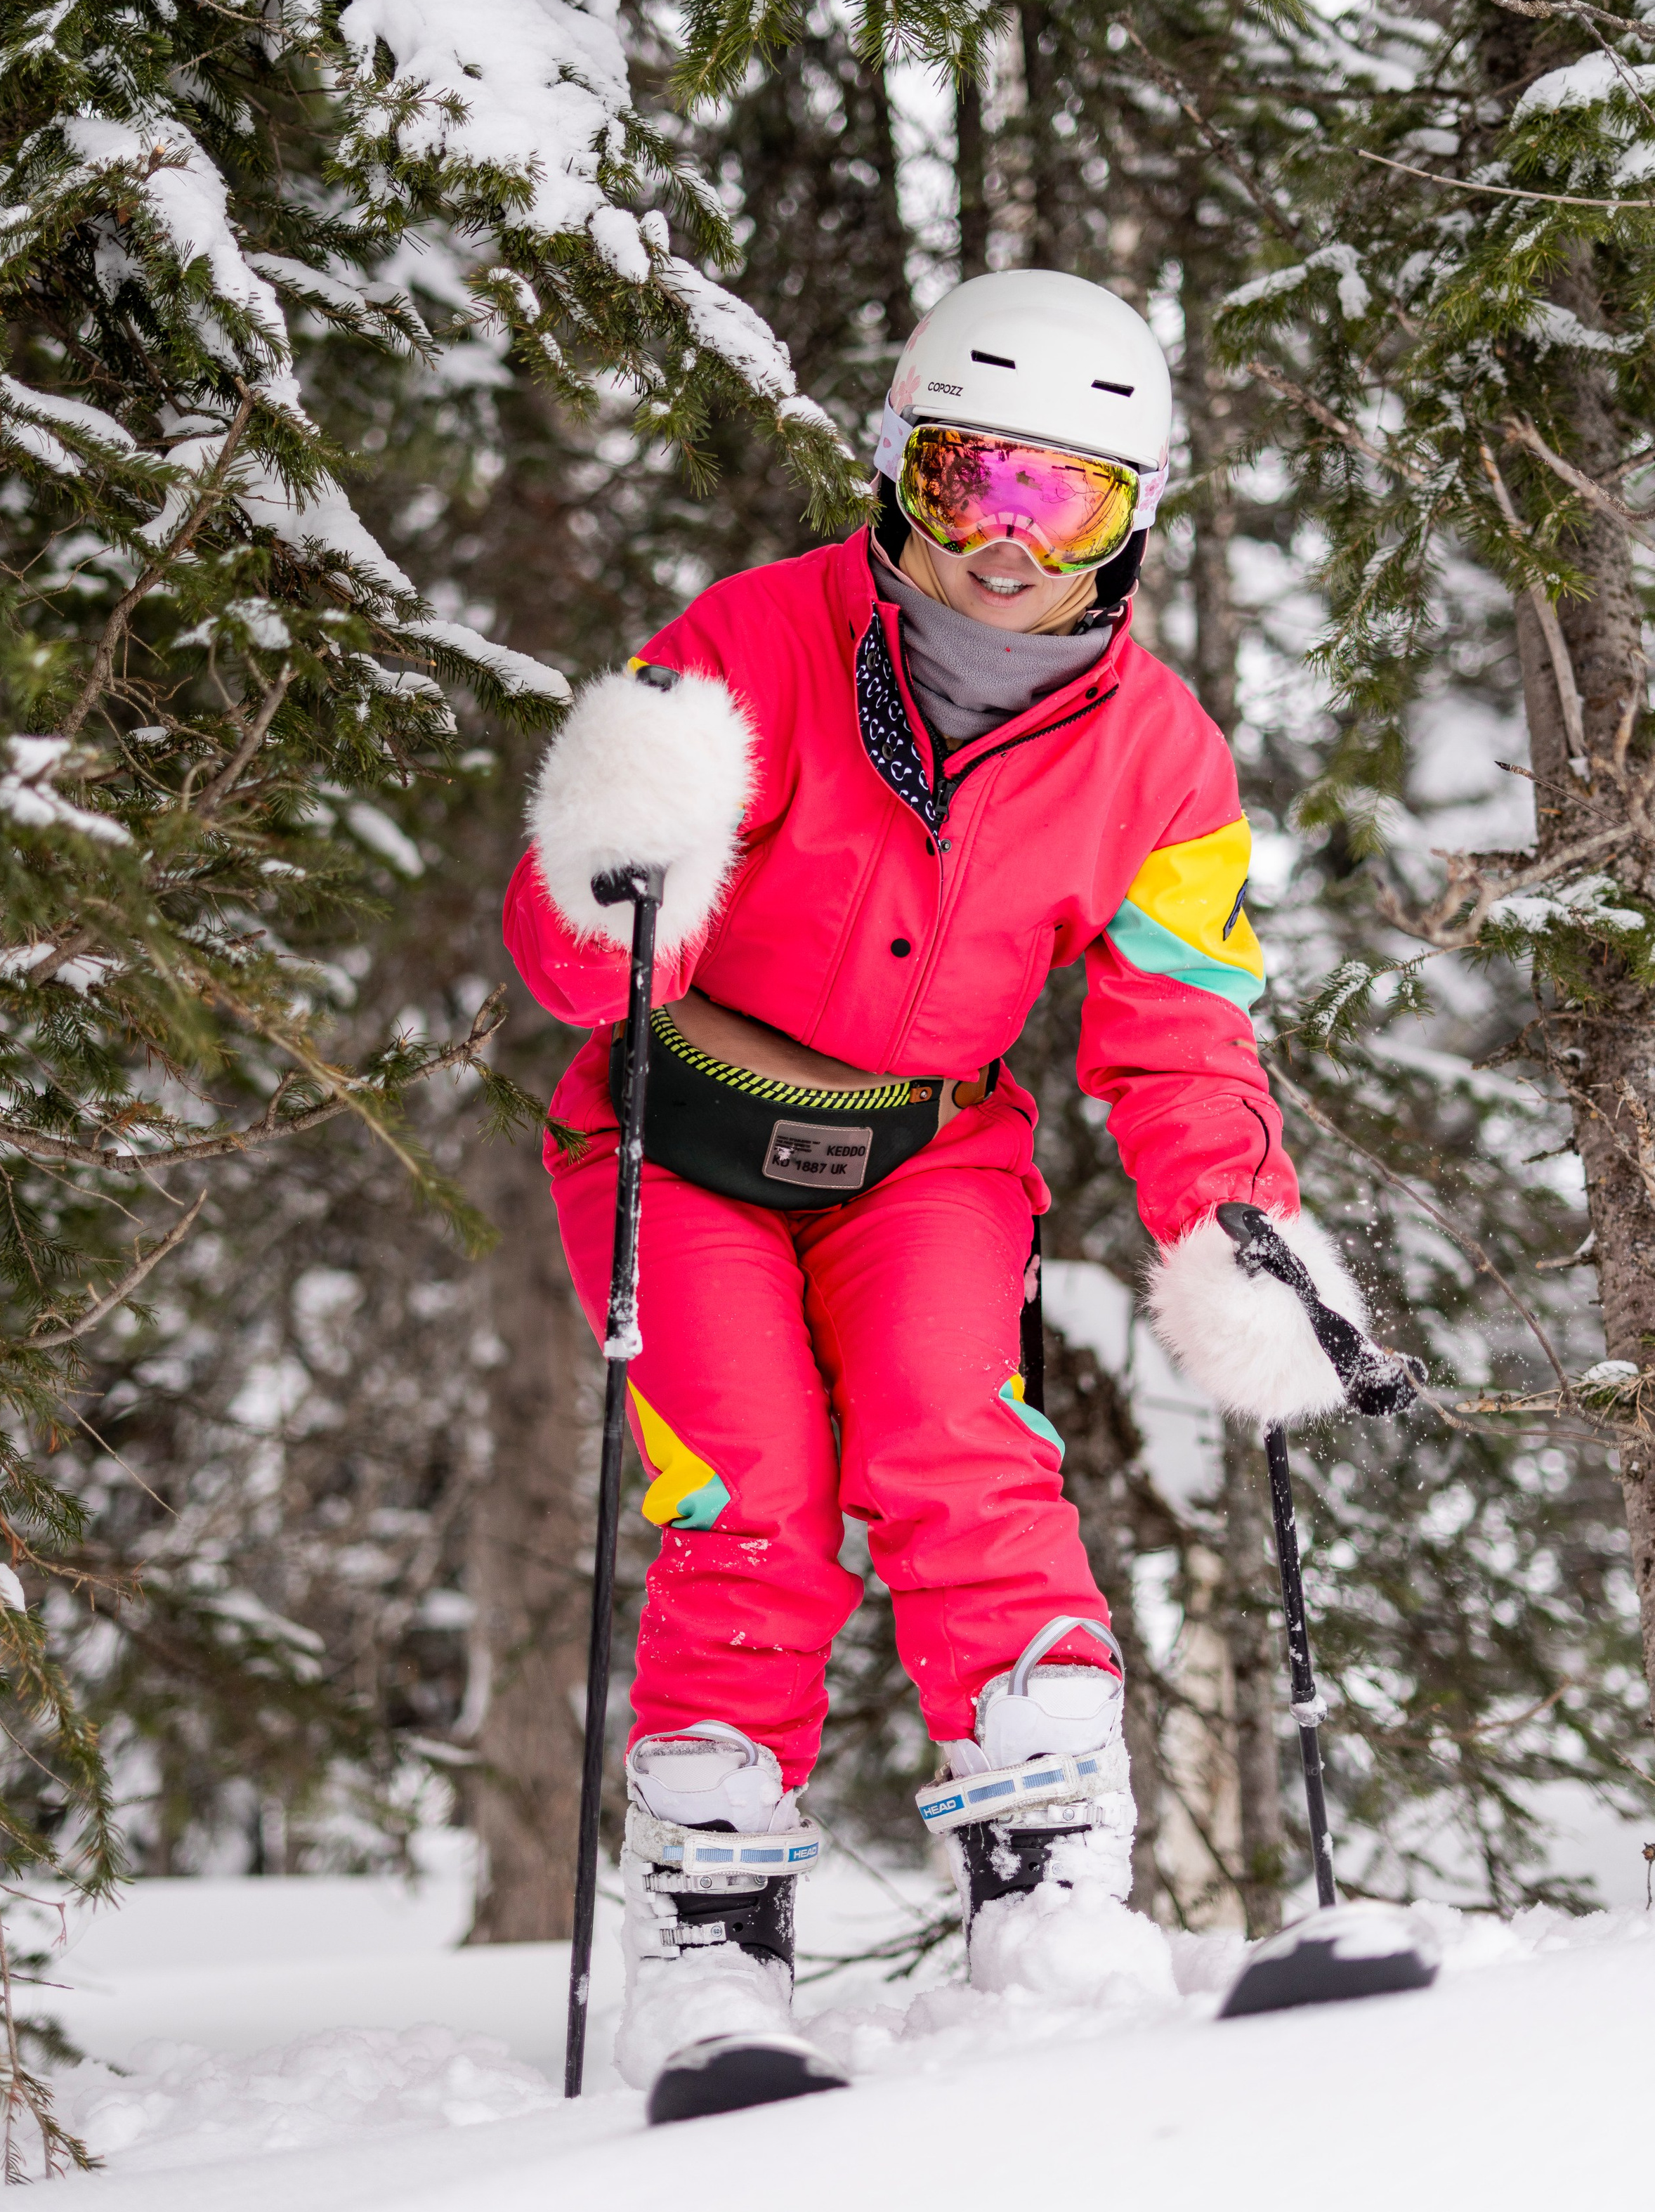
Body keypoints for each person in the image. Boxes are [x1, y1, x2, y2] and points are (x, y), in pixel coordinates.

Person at [503, 270, 1389, 2085]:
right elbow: (574, 961)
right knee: (746, 1483)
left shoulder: (1164, 762)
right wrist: (612, 861)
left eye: (1056, 498)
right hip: (687, 1143)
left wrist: (1236, 1228)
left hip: (925, 1152)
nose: (1003, 539)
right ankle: (713, 1935)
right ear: (902, 468)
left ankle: (1052, 1890)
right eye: (969, 478)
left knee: (960, 1449)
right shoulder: (755, 646)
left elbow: (1179, 1038)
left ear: (1128, 521)